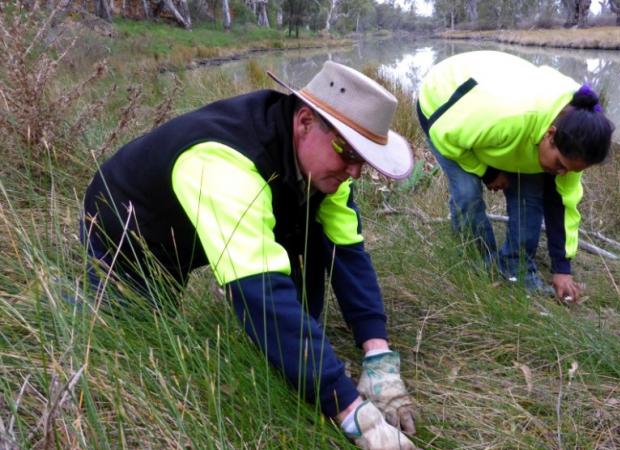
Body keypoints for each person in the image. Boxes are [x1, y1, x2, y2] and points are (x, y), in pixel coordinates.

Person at [83, 61, 419, 449]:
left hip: (205, 216)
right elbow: (262, 295)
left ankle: (301, 363)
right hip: (130, 226)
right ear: (305, 122)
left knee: (306, 236)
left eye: (363, 159)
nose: (355, 171)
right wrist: (351, 412)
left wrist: (377, 352)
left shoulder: (328, 171)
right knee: (139, 345)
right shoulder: (226, 162)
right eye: (347, 153)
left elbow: (347, 255)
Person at [416, 51, 614, 302]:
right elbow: (444, 134)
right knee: (467, 193)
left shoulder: (574, 140)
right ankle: (481, 264)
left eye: (571, 171)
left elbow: (562, 204)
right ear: (550, 135)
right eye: (560, 165)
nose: (562, 174)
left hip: (499, 97)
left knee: (530, 194)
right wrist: (487, 172)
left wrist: (562, 268)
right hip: (445, 104)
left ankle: (515, 268)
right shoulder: (507, 118)